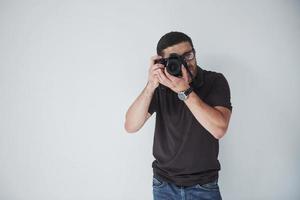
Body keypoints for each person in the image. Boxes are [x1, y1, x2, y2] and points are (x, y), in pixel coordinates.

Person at [124, 31, 232, 200]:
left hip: (203, 185)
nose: (185, 63)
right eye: (176, 59)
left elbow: (219, 129)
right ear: (163, 62)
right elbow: (131, 125)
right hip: (164, 184)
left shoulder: (215, 81)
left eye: (188, 55)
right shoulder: (160, 87)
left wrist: (185, 91)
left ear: (195, 52)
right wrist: (150, 86)